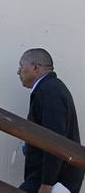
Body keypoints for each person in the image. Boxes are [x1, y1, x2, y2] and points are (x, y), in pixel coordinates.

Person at [17, 48, 83, 193]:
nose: (18, 72)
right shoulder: (50, 88)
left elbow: (54, 138)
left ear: (35, 67)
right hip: (50, 177)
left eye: (21, 67)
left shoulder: (49, 91)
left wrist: (47, 183)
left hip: (56, 181)